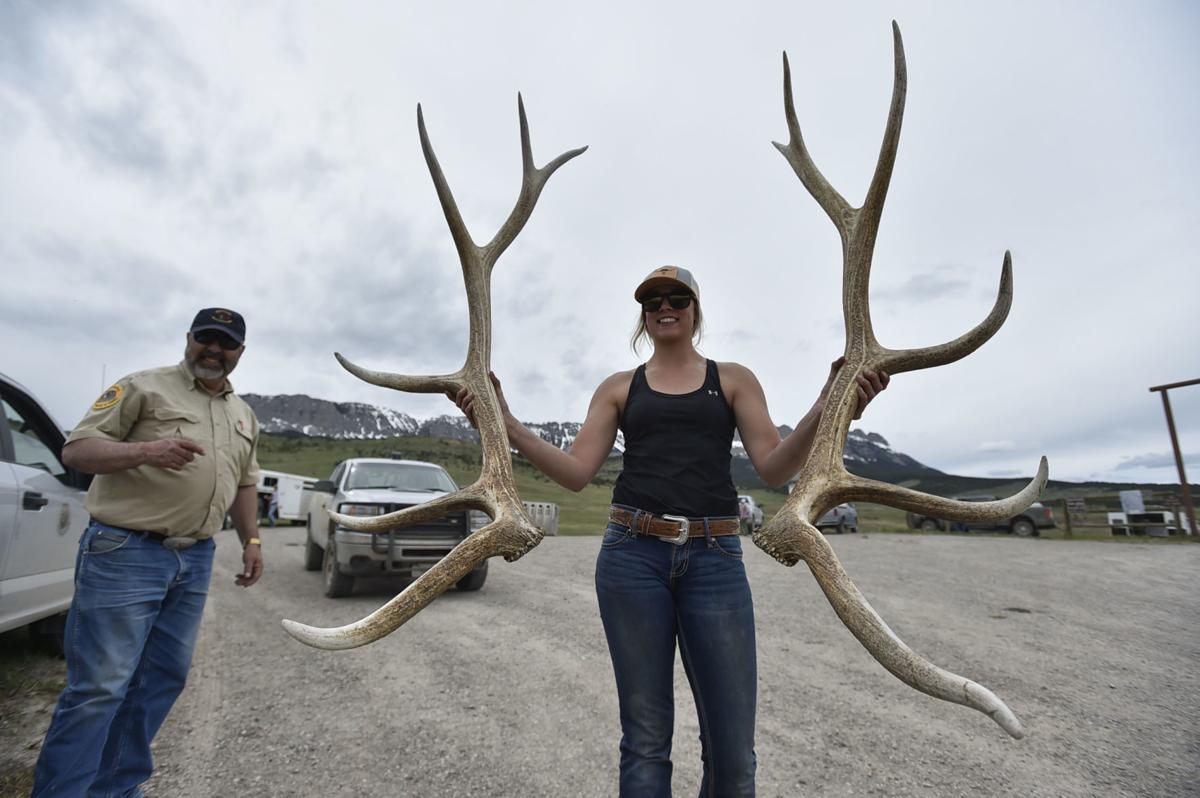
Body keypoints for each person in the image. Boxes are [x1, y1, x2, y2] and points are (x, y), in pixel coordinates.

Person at [450, 266, 888, 796]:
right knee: (645, 740)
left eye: (677, 297)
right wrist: (504, 421)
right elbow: (574, 473)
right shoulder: (618, 388)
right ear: (644, 314)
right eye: (653, 300)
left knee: (733, 754)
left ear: (695, 309)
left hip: (715, 558)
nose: (665, 305)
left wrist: (829, 402)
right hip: (630, 558)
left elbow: (775, 467)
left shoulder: (732, 379)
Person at [32, 307, 265, 798]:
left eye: (225, 344)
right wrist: (145, 451)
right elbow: (76, 451)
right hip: (124, 552)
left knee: (160, 680)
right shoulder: (142, 387)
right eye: (206, 338)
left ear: (239, 353)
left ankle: (114, 788)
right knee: (100, 688)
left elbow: (246, 484)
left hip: (195, 559)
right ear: (189, 339)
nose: (214, 350)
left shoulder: (243, 415)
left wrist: (253, 541)